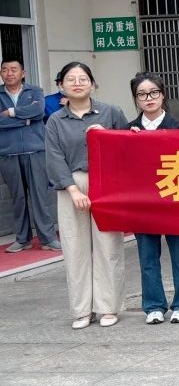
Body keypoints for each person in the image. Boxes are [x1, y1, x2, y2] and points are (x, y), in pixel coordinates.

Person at [44, 62, 129, 329]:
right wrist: (72, 189)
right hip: (71, 185)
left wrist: (107, 135)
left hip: (107, 184)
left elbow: (127, 145)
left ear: (92, 84)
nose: (77, 83)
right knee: (75, 248)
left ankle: (108, 307)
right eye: (71, 79)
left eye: (83, 78)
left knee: (108, 246)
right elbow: (54, 157)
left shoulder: (111, 112)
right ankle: (82, 310)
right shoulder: (56, 120)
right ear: (61, 86)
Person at [128, 73, 179, 324]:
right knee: (147, 257)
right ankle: (154, 305)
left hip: (175, 201)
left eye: (154, 92)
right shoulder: (128, 131)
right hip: (143, 204)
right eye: (142, 94)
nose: (149, 98)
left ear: (163, 95)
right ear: (136, 99)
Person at [0, 58, 59, 252]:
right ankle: (22, 239)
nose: (9, 73)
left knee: (39, 196)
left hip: (36, 151)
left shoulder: (35, 91)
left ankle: (47, 239)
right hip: (8, 153)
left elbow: (38, 112)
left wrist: (11, 112)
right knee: (18, 198)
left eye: (13, 69)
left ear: (23, 73)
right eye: (5, 70)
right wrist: (25, 120)